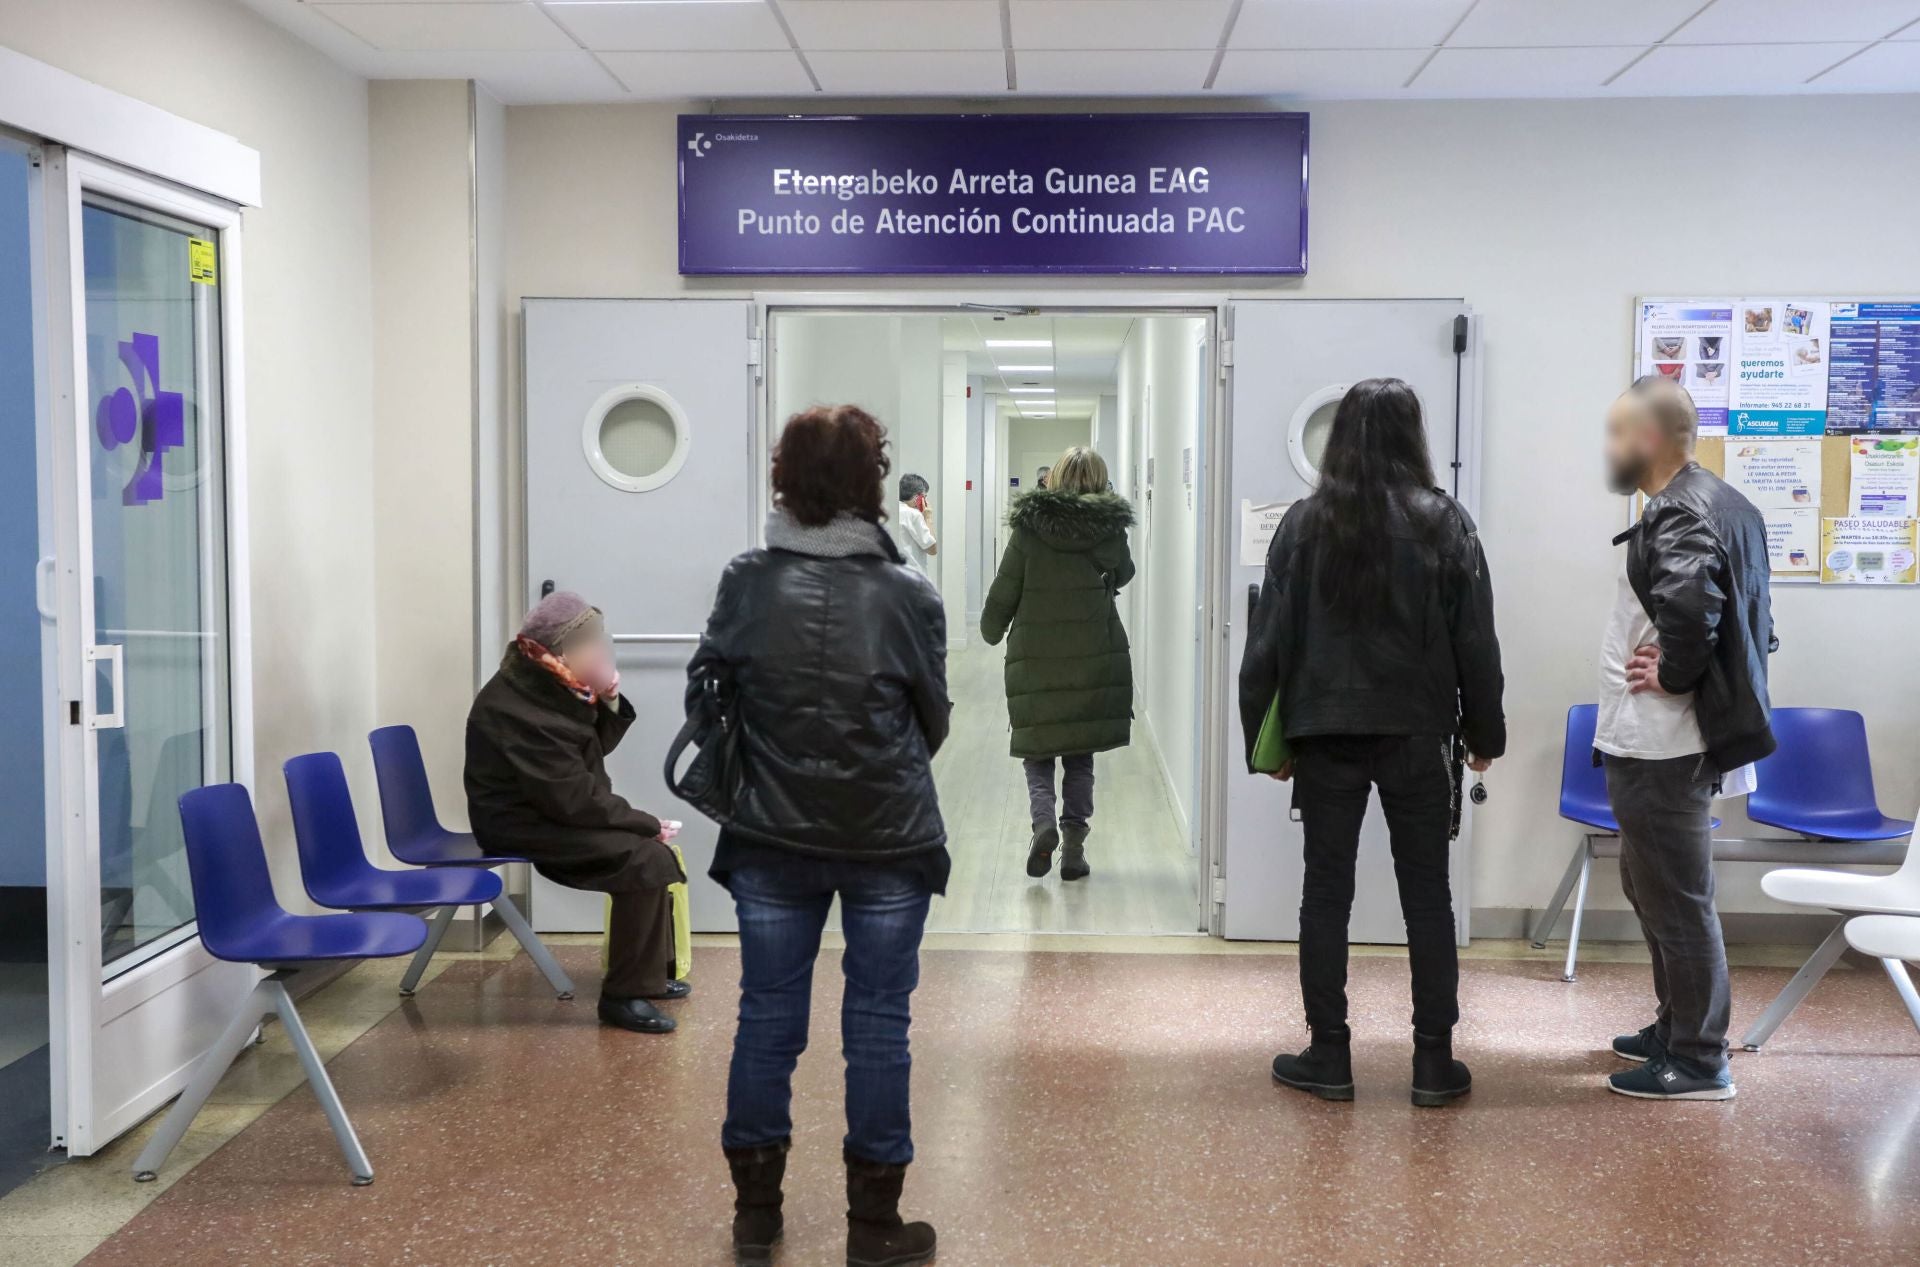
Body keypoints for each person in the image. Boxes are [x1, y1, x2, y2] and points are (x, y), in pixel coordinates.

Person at [692, 404, 949, 1267]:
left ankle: (756, 1214)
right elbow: (933, 720)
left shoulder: (744, 580)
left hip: (771, 835)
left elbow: (710, 697)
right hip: (888, 835)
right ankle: (875, 1224)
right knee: (879, 1021)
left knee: (767, 1016)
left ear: (783, 478)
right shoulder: (908, 591)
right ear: (871, 482)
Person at [1238, 377, 1504, 1107]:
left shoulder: (1303, 523)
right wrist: (1485, 733)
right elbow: (1475, 639)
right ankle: (1432, 1062)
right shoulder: (1444, 521)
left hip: (1324, 733)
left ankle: (1329, 1054)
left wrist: (1265, 736)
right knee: (1428, 894)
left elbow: (1268, 640)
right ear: (1412, 437)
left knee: (1325, 892)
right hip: (1418, 733)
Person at [1596, 375, 1774, 1102]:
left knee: (1676, 896)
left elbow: (1695, 606)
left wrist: (1673, 671)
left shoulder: (1678, 513)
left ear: (1647, 439)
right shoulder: (1728, 503)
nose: (1608, 449)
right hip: (1668, 738)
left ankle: (1700, 1058)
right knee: (1651, 884)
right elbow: (1756, 618)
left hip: (1666, 742)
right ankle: (1675, 1026)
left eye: (1615, 433)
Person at [465, 592, 686, 1035]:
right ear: (559, 650)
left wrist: (607, 701)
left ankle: (648, 977)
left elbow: (585, 752)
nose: (601, 652)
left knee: (648, 854)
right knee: (643, 857)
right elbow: (572, 796)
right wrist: (643, 821)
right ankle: (623, 999)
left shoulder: (549, 681)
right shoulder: (517, 707)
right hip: (518, 821)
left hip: (548, 809)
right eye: (592, 644)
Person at [981, 446, 1134, 882]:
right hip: (1092, 655)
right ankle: (1074, 851)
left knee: (1038, 752)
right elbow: (1124, 573)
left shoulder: (1030, 529)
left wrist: (991, 630)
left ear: (1054, 479)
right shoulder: (1110, 530)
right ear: (1101, 482)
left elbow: (1005, 587)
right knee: (1080, 758)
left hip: (1037, 658)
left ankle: (1043, 822)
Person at [894, 472, 938, 577]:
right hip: (912, 576)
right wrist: (928, 517)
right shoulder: (913, 515)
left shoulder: (891, 510)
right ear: (918, 498)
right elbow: (932, 549)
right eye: (925, 497)